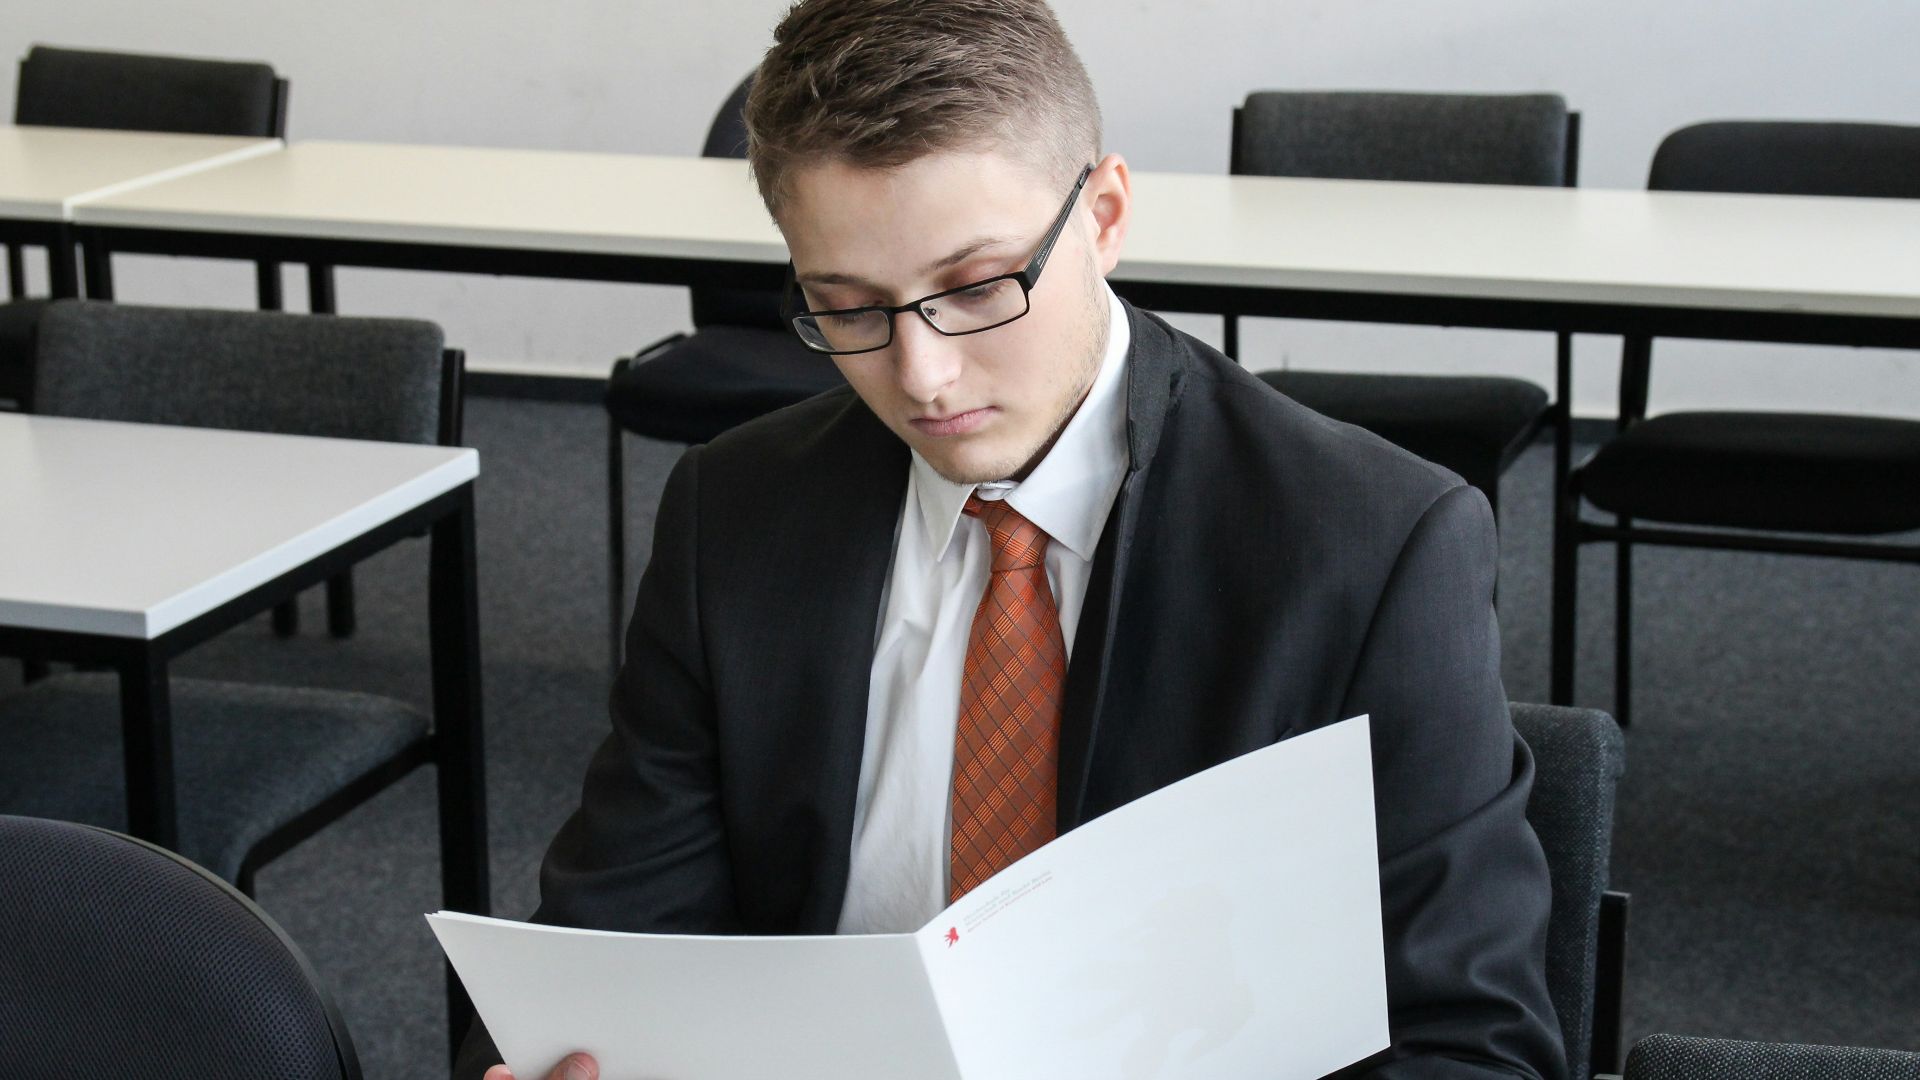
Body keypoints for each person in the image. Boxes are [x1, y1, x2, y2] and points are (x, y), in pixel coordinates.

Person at [461, 1, 1564, 1077]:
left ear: (1107, 216)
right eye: (848, 307)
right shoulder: (733, 512)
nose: (922, 378)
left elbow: (1473, 1040)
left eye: (977, 287)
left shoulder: (1368, 545)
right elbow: (612, 940)